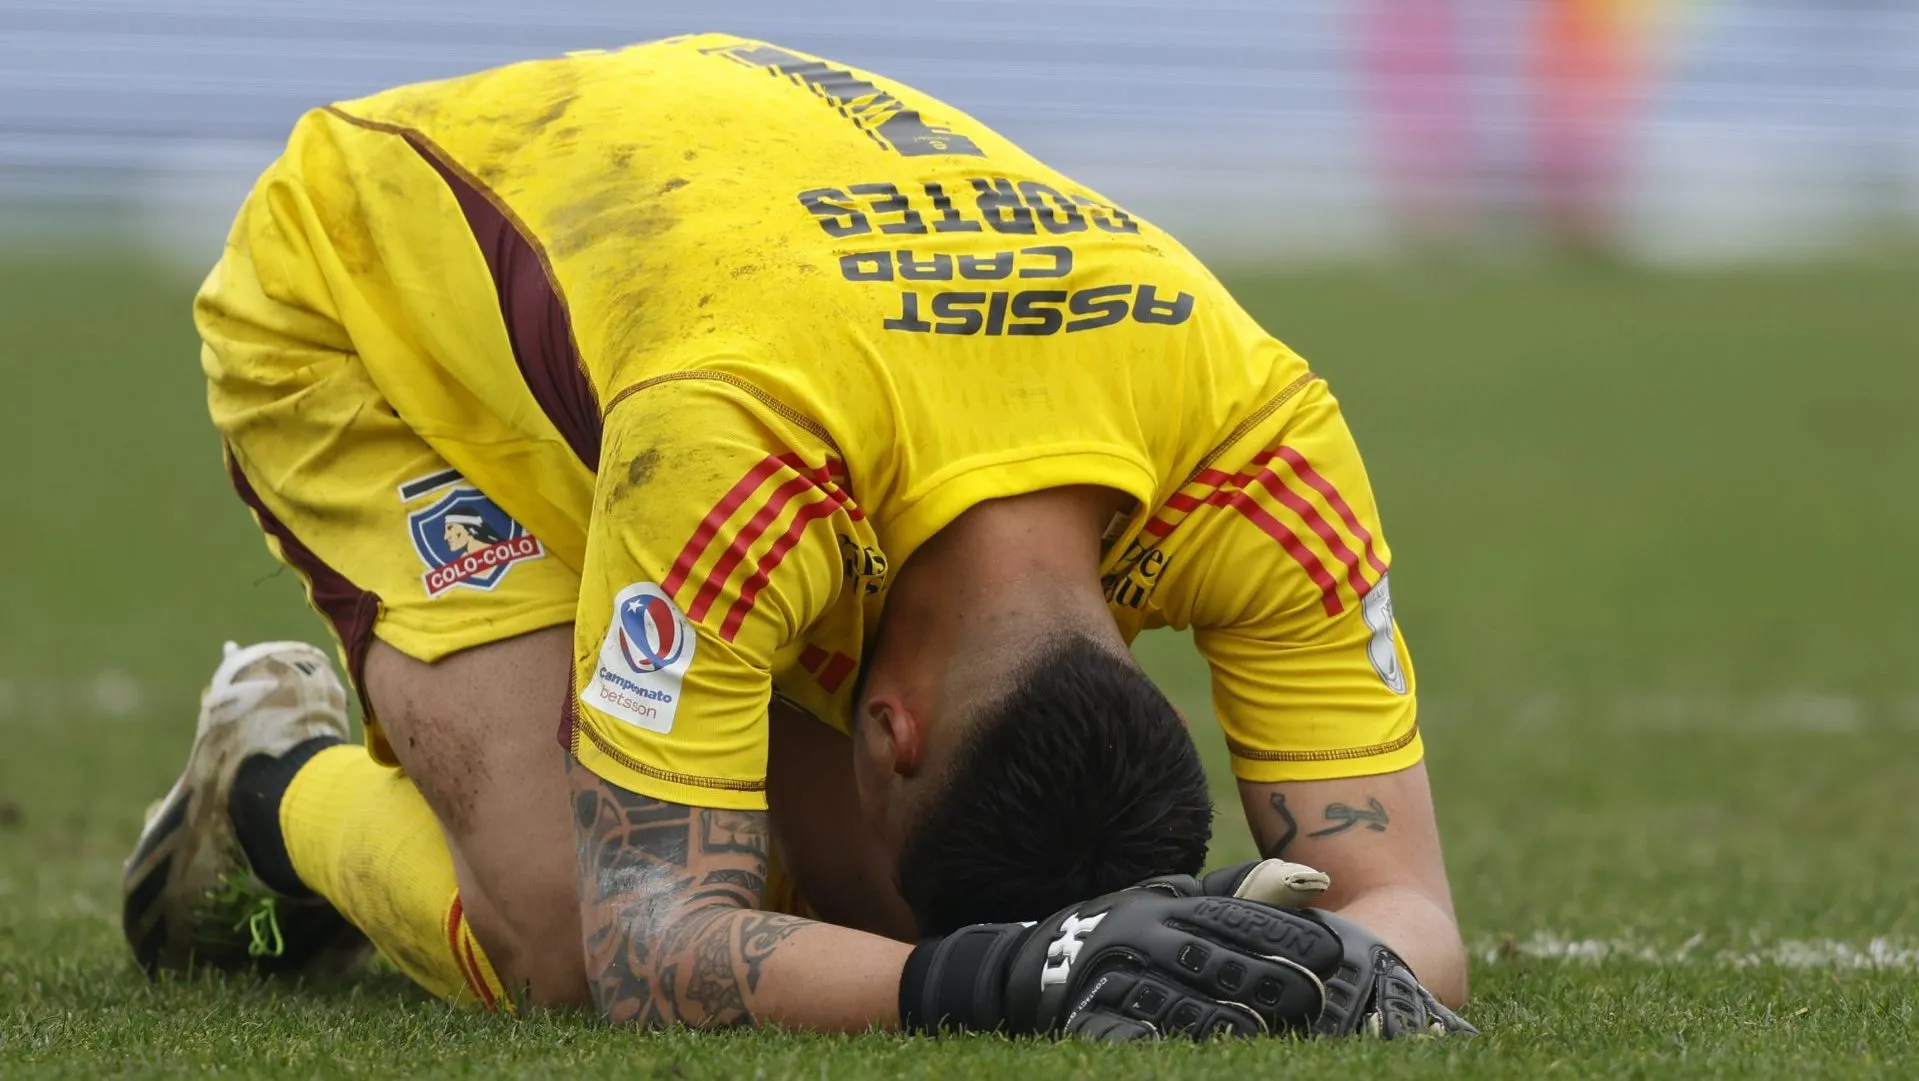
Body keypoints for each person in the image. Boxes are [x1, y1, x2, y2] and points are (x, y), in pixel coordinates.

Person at [122, 34, 1471, 1039]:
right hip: (364, 294)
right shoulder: (743, 476)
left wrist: (1298, 967)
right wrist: (1013, 976)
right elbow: (650, 948)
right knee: (561, 932)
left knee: (848, 915)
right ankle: (269, 781)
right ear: (887, 726)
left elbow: (1409, 914)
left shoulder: (1264, 450)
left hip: (713, 302)